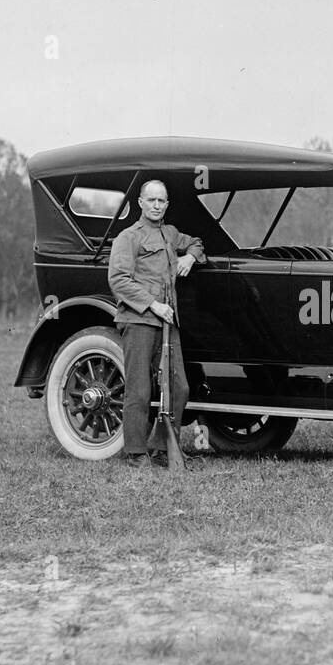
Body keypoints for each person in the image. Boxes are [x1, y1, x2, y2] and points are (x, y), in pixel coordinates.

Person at [107, 179, 205, 466]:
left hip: (167, 322)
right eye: (152, 200)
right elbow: (118, 280)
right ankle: (136, 453)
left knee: (178, 387)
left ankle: (163, 448)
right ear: (140, 202)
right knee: (139, 389)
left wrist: (189, 257)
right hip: (139, 319)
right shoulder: (128, 237)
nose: (157, 205)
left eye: (162, 201)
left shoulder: (171, 233)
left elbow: (198, 243)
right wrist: (153, 304)